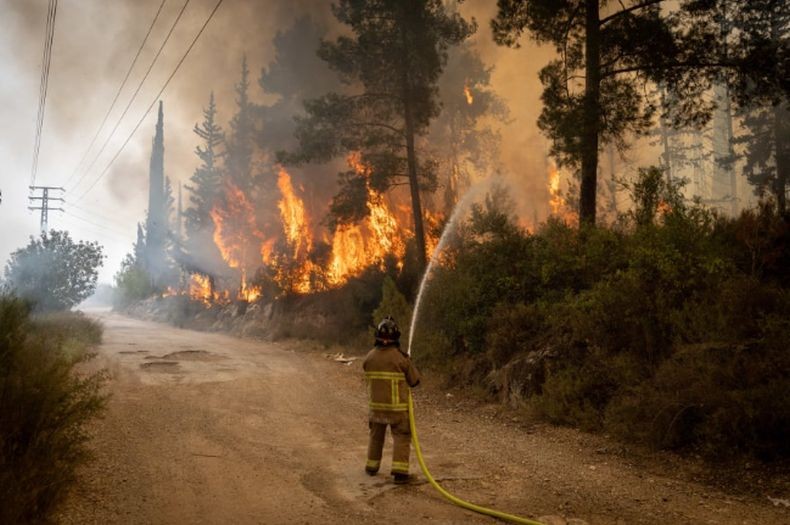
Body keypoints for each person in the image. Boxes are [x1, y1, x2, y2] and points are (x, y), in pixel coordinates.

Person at [363, 316, 421, 484]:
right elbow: (415, 381)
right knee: (402, 436)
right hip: (397, 410)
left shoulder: (369, 357)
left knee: (375, 437)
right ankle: (400, 473)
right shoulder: (401, 358)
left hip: (376, 409)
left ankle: (371, 467)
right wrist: (409, 362)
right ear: (396, 337)